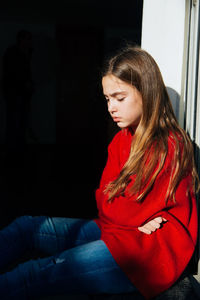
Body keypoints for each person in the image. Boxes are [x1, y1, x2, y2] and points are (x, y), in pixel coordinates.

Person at [0, 46, 199, 299]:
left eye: (119, 97)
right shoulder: (120, 141)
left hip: (146, 252)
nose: (111, 108)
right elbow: (106, 202)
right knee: (26, 227)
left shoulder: (170, 144)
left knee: (35, 273)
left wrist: (133, 212)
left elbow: (129, 207)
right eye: (107, 99)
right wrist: (137, 216)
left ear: (146, 92)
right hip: (116, 231)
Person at [2, 30, 36, 166]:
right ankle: (13, 154)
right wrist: (25, 84)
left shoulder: (24, 54)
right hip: (15, 94)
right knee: (14, 123)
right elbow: (14, 74)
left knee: (20, 122)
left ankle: (17, 153)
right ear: (21, 40)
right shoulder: (13, 54)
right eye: (27, 40)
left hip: (20, 95)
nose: (29, 43)